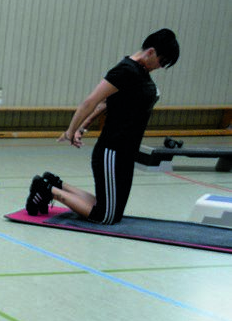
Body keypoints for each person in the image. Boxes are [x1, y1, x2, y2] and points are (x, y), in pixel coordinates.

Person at [26, 28, 179, 223]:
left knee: (112, 210)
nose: (160, 67)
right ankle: (46, 189)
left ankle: (55, 183)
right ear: (151, 52)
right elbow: (91, 101)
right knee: (105, 216)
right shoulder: (126, 70)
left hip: (126, 152)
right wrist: (71, 131)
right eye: (162, 61)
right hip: (112, 150)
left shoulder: (141, 73)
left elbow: (106, 104)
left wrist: (84, 127)